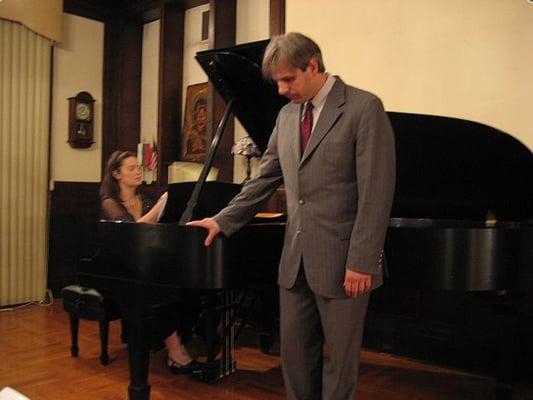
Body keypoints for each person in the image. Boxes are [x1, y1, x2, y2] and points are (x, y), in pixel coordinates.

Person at [187, 32, 396, 399]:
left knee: (339, 363)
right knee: (296, 359)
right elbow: (264, 179)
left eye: (288, 79)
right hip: (294, 261)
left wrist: (362, 261)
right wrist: (222, 220)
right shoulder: (285, 117)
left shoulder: (364, 108)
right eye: (278, 82)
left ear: (312, 65)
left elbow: (376, 192)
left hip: (346, 263)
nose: (282, 90)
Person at [100, 150, 202, 374]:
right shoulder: (110, 203)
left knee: (185, 283)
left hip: (147, 264)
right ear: (117, 174)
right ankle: (175, 350)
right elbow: (131, 233)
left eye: (139, 167)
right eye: (132, 168)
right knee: (156, 290)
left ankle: (179, 340)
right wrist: (159, 207)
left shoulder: (144, 200)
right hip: (120, 269)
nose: (138, 172)